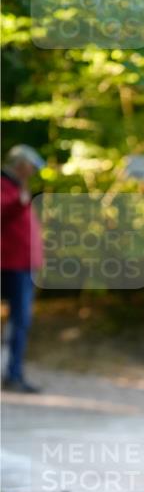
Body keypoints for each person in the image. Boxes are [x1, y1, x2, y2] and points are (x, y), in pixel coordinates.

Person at [1, 144, 46, 393]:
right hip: (9, 264)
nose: (33, 171)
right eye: (30, 166)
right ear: (20, 164)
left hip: (24, 265)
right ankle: (13, 374)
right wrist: (19, 203)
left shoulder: (19, 188)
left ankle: (14, 374)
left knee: (20, 322)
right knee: (19, 321)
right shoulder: (6, 186)